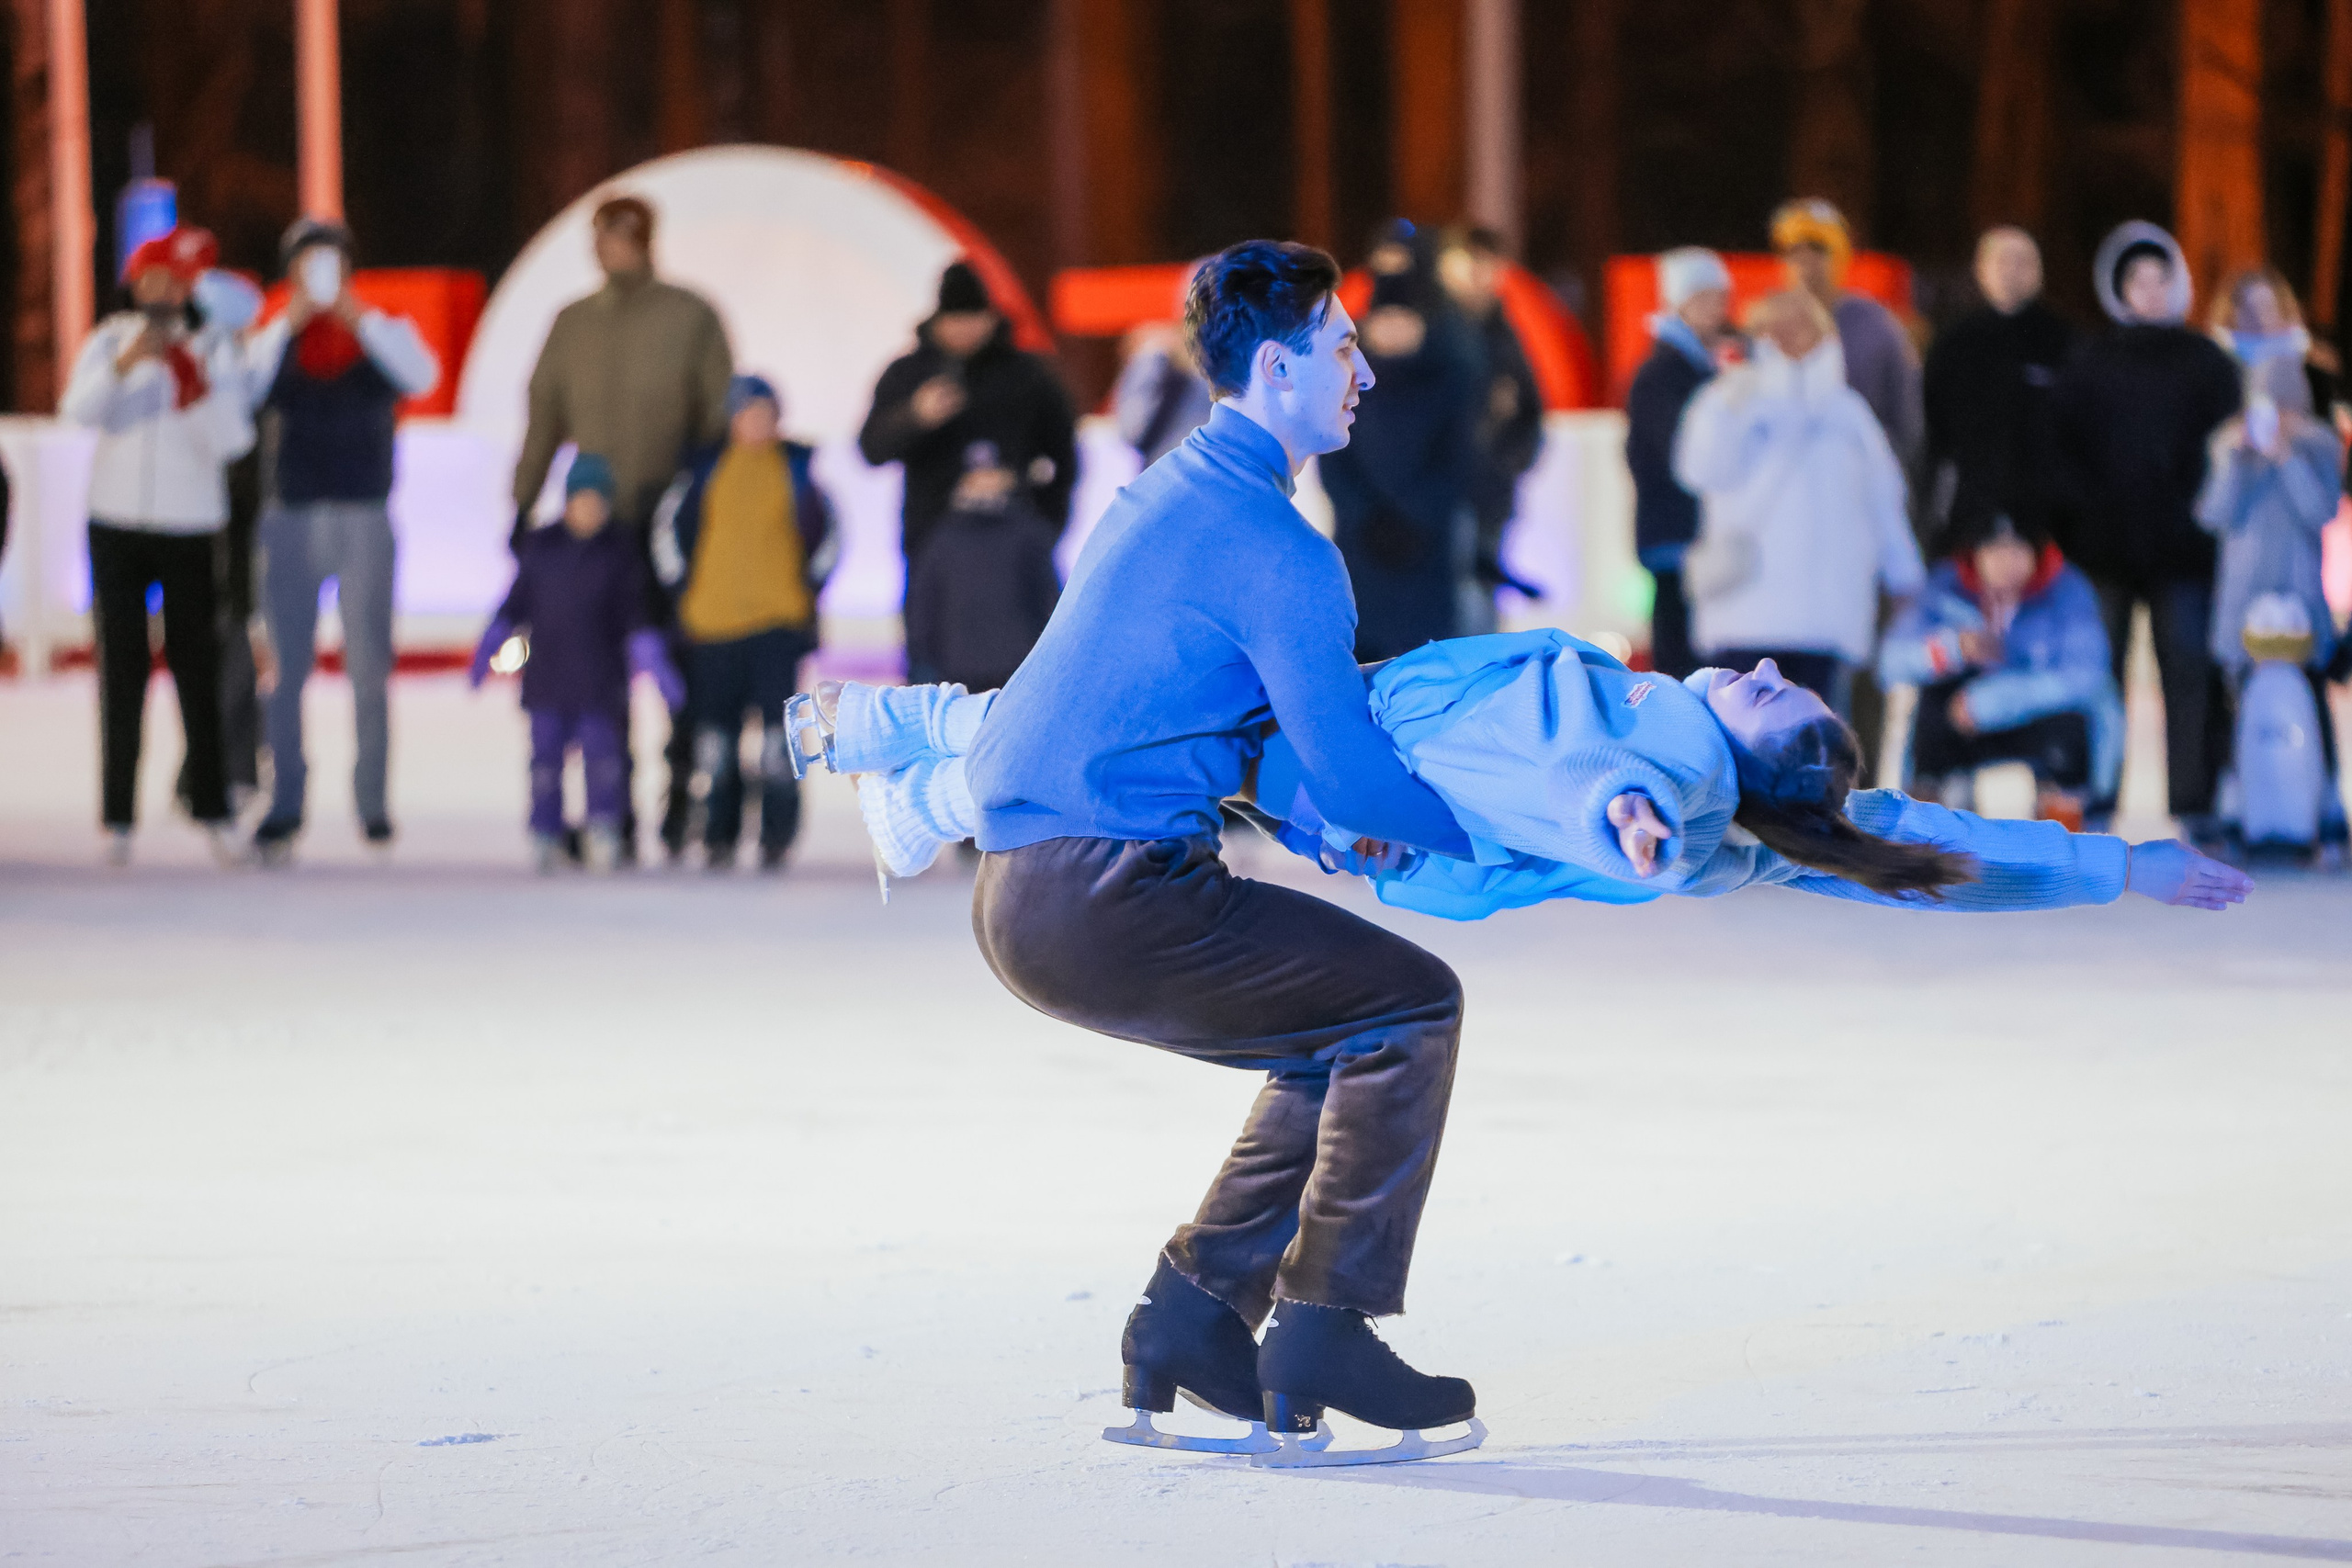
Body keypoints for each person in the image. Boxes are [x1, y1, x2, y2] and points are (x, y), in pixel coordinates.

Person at [835, 241, 1487, 1464]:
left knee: (1332, 1029)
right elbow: (1343, 766)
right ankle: (1327, 1324)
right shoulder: (1276, 546)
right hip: (1105, 890)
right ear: (1282, 366)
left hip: (1026, 886)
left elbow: (1239, 744)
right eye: (1343, 349)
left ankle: (1192, 1318)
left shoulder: (1172, 491)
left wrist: (1330, 825)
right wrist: (1492, 837)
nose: (1363, 371)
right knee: (1410, 1007)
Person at [825, 639, 2247, 923]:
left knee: (1139, 707)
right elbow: (1916, 840)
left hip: (1370, 758)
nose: (1749, 666)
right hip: (1383, 789)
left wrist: (1614, 815)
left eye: (1768, 693)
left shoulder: (1670, 758)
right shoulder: (1761, 827)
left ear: (1751, 750)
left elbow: (1600, 783)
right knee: (1152, 746)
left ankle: (901, 730)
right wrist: (2111, 862)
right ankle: (930, 792)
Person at [512, 194, 735, 862]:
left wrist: (701, 514)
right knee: (593, 680)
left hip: (665, 524)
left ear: (646, 239)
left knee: (675, 669)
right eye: (604, 236)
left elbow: (716, 422)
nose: (613, 247)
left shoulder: (688, 317)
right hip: (592, 529)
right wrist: (523, 507)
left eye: (624, 236)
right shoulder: (573, 324)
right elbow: (543, 417)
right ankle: (612, 815)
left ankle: (680, 807)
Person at [244, 218, 441, 863]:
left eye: (330, 263)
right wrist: (291, 322)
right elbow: (243, 391)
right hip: (292, 514)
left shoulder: (377, 331)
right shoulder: (275, 339)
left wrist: (358, 318)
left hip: (363, 513)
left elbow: (420, 374)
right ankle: (286, 799)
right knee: (287, 670)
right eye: (308, 263)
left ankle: (373, 800)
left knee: (369, 668)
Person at [59, 224, 253, 866]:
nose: (159, 291)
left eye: (170, 279)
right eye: (148, 279)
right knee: (121, 670)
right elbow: (77, 413)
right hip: (114, 524)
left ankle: (214, 806)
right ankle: (117, 816)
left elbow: (231, 441)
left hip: (189, 526)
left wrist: (192, 384)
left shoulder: (216, 346)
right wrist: (123, 367)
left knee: (197, 669)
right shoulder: (109, 340)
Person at [2052, 221, 2244, 840]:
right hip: (2102, 551)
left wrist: (2202, 519)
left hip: (2185, 552)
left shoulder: (2207, 362)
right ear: (2119, 286)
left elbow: (2226, 452)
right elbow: (2064, 450)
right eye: (2139, 279)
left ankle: (2195, 800)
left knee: (2189, 673)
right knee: (2096, 673)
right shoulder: (2089, 360)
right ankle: (2097, 793)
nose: (2152, 290)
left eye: (2162, 278)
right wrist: (2080, 519)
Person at [1673, 289, 1923, 716]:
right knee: (1749, 746)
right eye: (1777, 325)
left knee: (1815, 750)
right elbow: (1698, 470)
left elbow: (1884, 500)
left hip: (1824, 617)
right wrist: (1736, 402)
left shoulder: (1849, 414)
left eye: (1802, 324)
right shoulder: (1729, 400)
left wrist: (1904, 578)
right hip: (1746, 614)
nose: (1789, 334)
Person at [650, 376, 835, 872]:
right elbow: (668, 537)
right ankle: (717, 832)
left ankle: (777, 834)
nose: (760, 423)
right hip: (713, 628)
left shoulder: (796, 472)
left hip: (778, 625)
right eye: (750, 413)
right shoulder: (703, 473)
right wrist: (685, 595)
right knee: (717, 741)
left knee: (780, 742)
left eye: (768, 413)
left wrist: (806, 592)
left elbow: (828, 537)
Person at [471, 456, 682, 873]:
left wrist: (653, 659)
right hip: (548, 683)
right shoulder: (542, 548)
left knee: (604, 763)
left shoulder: (618, 553)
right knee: (545, 764)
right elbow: (517, 603)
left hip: (600, 685)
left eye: (598, 502)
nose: (590, 510)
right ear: (567, 501)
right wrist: (490, 643)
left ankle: (603, 830)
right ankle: (545, 833)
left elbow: (634, 615)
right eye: (582, 500)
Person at [1879, 510, 2122, 825]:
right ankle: (1930, 826)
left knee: (2070, 727)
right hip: (1962, 725)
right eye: (1994, 549)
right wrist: (1949, 649)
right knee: (1932, 705)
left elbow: (2087, 674)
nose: (2006, 562)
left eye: (2018, 549)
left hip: (2039, 725)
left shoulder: (2067, 591)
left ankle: (2064, 832)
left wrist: (1992, 700)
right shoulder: (1946, 588)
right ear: (1975, 553)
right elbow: (1889, 663)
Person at [2194, 357, 2346, 848]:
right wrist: (2235, 461)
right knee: (2237, 698)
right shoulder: (2226, 444)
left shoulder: (2320, 445)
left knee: (2310, 694)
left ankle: (2322, 800)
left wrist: (2286, 456)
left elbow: (2319, 511)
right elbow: (2214, 514)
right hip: (2242, 595)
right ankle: (2239, 800)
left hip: (2299, 591)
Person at [858, 261, 1077, 592]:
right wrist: (915, 417)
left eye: (972, 319)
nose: (964, 330)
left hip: (1015, 544)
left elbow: (1063, 455)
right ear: (938, 320)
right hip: (933, 546)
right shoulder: (908, 373)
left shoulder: (1026, 375)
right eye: (955, 320)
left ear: (990, 318)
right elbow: (871, 449)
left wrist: (1041, 518)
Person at [1319, 255, 1483, 661]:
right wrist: (1367, 516)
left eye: (1403, 321)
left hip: (1426, 546)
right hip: (1362, 543)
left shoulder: (1449, 381)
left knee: (1427, 653)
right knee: (1362, 649)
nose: (1392, 333)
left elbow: (1458, 460)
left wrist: (1417, 515)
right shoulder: (1344, 384)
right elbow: (1334, 459)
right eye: (1383, 322)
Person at [1920, 227, 2075, 556]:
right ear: (1980, 270)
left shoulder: (2064, 342)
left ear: (2039, 273)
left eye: (2023, 262)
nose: (2012, 271)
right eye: (2002, 261)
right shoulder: (1952, 342)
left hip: (2046, 521)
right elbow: (1933, 431)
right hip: (1966, 514)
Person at [1625, 247, 1731, 679]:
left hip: (1693, 534)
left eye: (1719, 297)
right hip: (1676, 533)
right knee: (1681, 655)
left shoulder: (1703, 366)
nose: (1717, 308)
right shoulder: (1663, 374)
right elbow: (1676, 455)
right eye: (1703, 296)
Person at [1436, 225, 1546, 629]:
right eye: (1471, 262)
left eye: (1490, 264)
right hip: (1439, 494)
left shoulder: (1503, 331)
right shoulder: (1432, 328)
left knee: (1480, 605)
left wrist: (1509, 460)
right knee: (1454, 606)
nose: (1482, 275)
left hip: (1489, 494)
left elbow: (1530, 410)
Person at [1771, 197, 1922, 466]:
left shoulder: (1876, 325)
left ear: (1840, 257)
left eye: (1818, 249)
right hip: (1786, 484)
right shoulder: (1766, 324)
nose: (1805, 261)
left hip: (1859, 477)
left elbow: (1906, 417)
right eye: (1794, 250)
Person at [901, 445, 1060, 694]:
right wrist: (921, 666)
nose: (985, 481)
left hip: (1016, 673)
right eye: (976, 474)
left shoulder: (1028, 535)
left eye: (992, 471)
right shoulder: (941, 539)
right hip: (957, 677)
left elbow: (1049, 603)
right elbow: (923, 608)